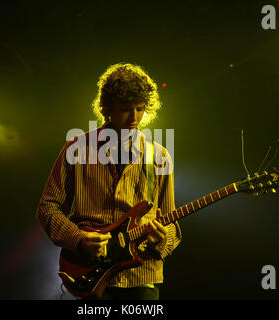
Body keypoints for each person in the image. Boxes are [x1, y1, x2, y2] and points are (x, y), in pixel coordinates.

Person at [36, 63, 181, 300]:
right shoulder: (77, 149)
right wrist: (79, 239)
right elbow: (47, 208)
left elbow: (171, 221)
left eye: (140, 108)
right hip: (88, 274)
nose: (134, 118)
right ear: (106, 107)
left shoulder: (159, 156)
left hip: (141, 276)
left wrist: (163, 240)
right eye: (125, 109)